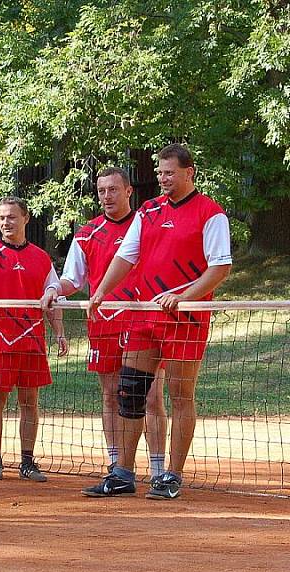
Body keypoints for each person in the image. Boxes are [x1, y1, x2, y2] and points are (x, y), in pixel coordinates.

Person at [85, 144, 232, 499]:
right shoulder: (148, 211)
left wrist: (184, 298)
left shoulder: (210, 213)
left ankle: (171, 476)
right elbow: (126, 256)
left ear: (188, 172)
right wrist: (102, 290)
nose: (163, 180)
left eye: (169, 173)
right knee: (131, 390)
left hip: (186, 320)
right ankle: (122, 473)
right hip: (146, 315)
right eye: (160, 174)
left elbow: (220, 268)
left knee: (180, 395)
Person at [40, 167, 168, 480]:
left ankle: (157, 468)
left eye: (113, 189)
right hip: (104, 324)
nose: (107, 196)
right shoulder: (87, 233)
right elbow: (72, 278)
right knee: (112, 395)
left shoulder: (148, 226)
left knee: (151, 397)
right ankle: (117, 464)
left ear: (128, 192)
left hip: (144, 323)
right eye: (101, 191)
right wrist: (55, 289)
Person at [0, 196, 68, 482]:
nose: (6, 222)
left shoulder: (41, 258)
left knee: (29, 401)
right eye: (2, 217)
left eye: (12, 217)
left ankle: (27, 461)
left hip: (31, 340)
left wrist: (60, 333)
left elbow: (53, 294)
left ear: (26, 218)